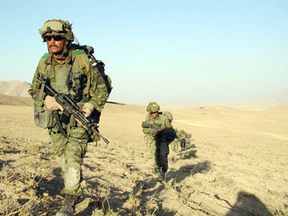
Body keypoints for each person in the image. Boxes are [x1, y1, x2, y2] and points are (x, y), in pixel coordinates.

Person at [28, 19, 111, 216]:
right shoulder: (44, 62)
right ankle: (73, 190)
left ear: (67, 39)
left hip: (79, 119)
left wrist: (91, 105)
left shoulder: (82, 59)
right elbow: (34, 89)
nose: (52, 41)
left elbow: (103, 87)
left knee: (73, 161)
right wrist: (47, 99)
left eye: (57, 37)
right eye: (48, 38)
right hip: (55, 121)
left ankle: (68, 206)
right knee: (64, 160)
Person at [142, 102, 175, 180]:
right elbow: (145, 129)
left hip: (163, 141)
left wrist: (165, 134)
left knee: (163, 155)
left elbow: (170, 129)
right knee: (154, 156)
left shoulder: (163, 118)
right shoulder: (148, 117)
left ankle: (163, 171)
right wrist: (151, 131)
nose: (153, 114)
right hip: (153, 140)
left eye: (155, 112)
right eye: (151, 113)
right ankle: (157, 171)